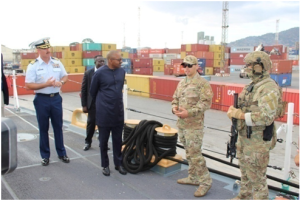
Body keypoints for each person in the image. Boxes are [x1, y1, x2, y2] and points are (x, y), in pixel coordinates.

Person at [227, 51, 281, 200]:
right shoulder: (252, 86)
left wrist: (240, 115)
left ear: (260, 66)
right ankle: (244, 196)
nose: (247, 67)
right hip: (245, 137)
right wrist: (234, 112)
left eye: (250, 65)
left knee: (257, 178)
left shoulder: (268, 87)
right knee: (245, 172)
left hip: (257, 141)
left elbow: (266, 117)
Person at [172, 55, 213, 197]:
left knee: (195, 154)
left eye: (190, 65)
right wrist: (174, 109)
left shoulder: (203, 84)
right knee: (188, 153)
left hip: (194, 126)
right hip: (182, 124)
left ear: (197, 66)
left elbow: (206, 104)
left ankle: (205, 182)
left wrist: (189, 112)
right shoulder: (182, 83)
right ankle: (193, 177)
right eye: (185, 65)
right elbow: (175, 98)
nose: (187, 68)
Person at [25, 38, 70, 166]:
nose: (48, 50)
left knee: (58, 127)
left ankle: (62, 153)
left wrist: (61, 82)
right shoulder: (33, 65)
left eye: (48, 48)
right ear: (38, 50)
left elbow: (65, 76)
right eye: (45, 48)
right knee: (43, 128)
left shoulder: (56, 62)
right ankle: (45, 156)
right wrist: (47, 84)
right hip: (41, 100)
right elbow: (28, 85)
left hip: (56, 98)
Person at [90, 50, 127, 176]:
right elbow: (92, 92)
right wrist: (101, 104)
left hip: (118, 112)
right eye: (119, 60)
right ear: (110, 60)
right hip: (104, 112)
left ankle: (118, 163)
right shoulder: (99, 73)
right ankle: (105, 165)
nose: (121, 61)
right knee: (104, 141)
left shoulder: (122, 71)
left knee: (117, 140)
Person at [81, 55, 106, 151]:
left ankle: (102, 143)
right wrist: (84, 105)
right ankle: (88, 142)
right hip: (92, 104)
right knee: (91, 124)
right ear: (95, 62)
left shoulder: (107, 73)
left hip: (104, 104)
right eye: (100, 61)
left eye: (103, 61)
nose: (102, 63)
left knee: (103, 125)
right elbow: (84, 90)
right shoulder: (88, 73)